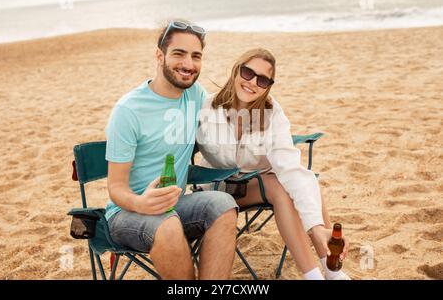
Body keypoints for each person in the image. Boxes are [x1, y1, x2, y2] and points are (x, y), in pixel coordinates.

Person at [196, 48, 351, 280]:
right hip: (218, 188)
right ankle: (314, 276)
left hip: (256, 184)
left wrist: (315, 226)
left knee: (304, 182)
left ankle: (329, 266)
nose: (252, 83)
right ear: (236, 69)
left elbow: (289, 167)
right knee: (279, 186)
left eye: (263, 79)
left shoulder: (272, 113)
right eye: (248, 72)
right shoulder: (207, 107)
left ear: (269, 85)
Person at [104, 20, 238, 280]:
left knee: (223, 205)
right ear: (159, 55)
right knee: (167, 225)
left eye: (196, 56)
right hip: (127, 213)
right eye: (179, 53)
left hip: (175, 206)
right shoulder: (128, 110)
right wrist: (141, 203)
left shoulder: (195, 95)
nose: (188, 64)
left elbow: (230, 112)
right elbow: (116, 188)